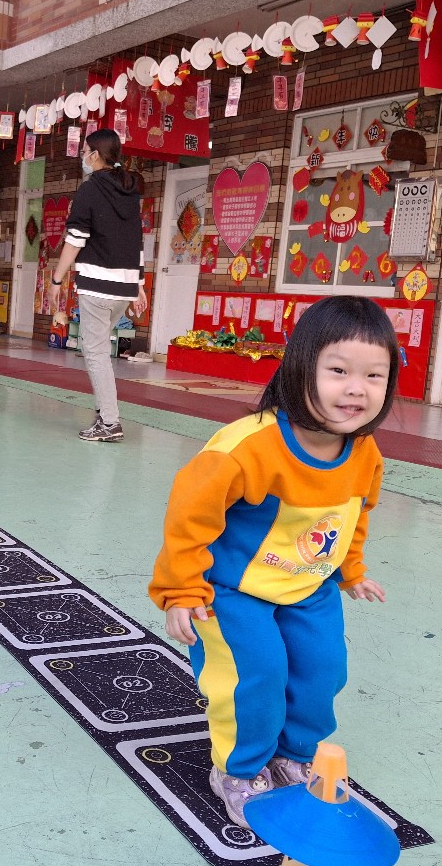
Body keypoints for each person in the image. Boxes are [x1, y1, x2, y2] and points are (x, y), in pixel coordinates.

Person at [147, 296, 397, 829]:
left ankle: (294, 754)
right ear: (300, 366)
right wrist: (181, 590)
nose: (357, 388)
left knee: (322, 668)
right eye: (338, 371)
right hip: (232, 591)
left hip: (308, 587)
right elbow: (189, 517)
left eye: (374, 375)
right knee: (255, 674)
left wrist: (351, 570)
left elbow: (354, 514)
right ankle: (239, 770)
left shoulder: (364, 452)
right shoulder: (246, 447)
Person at [42, 129, 148, 443]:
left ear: (96, 155)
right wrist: (139, 285)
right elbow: (136, 242)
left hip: (98, 286)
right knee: (99, 350)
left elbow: (75, 240)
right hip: (123, 288)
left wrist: (56, 279)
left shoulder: (89, 190)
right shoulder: (130, 191)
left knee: (96, 352)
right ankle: (104, 415)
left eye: (84, 151)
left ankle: (110, 423)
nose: (82, 157)